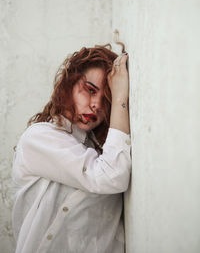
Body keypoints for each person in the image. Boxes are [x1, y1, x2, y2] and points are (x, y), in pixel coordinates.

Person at [12, 45, 132, 253]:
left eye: (106, 100)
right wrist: (120, 98)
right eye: (90, 90)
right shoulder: (39, 139)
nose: (96, 105)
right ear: (67, 86)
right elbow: (110, 177)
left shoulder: (100, 148)